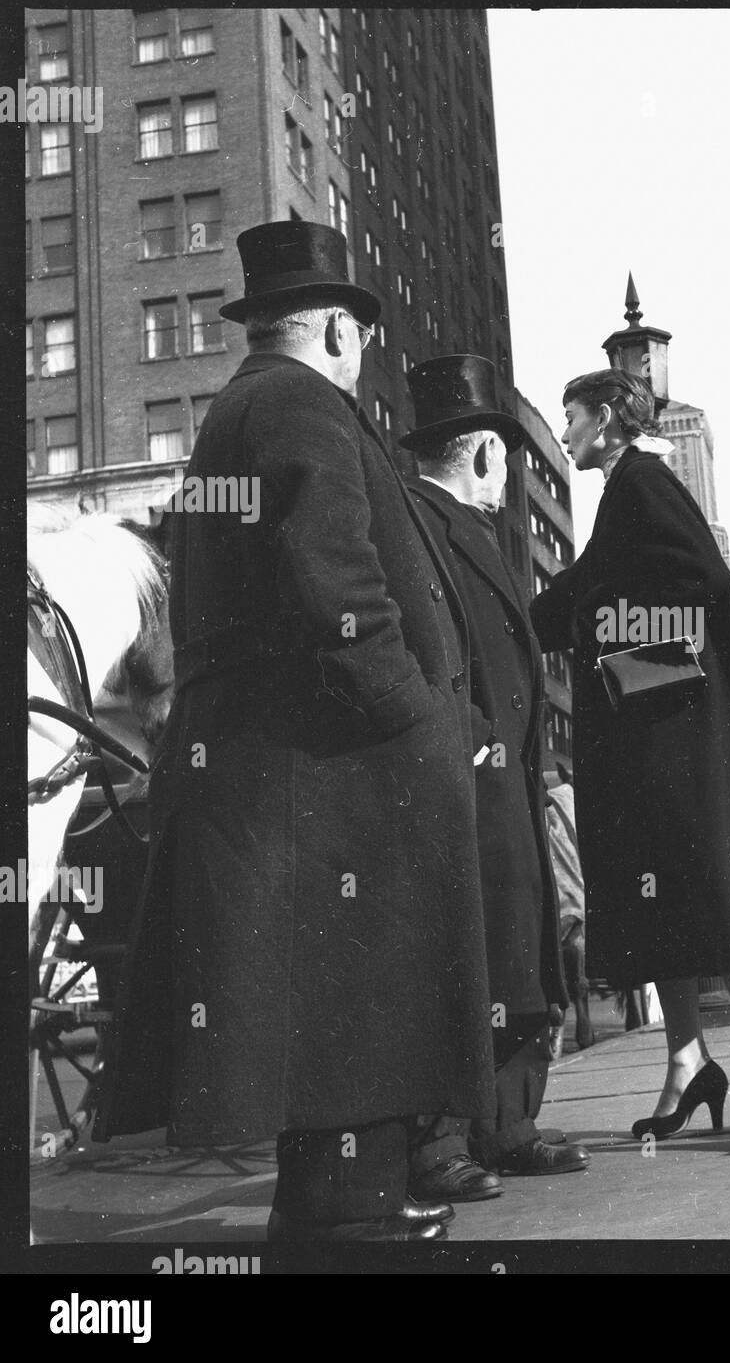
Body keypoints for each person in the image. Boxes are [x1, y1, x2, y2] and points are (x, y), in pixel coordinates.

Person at [95, 222, 496, 1242]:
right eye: (358, 335)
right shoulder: (298, 406)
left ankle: (329, 1206)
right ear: (327, 329)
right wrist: (412, 714)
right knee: (356, 983)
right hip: (331, 756)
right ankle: (350, 1212)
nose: (362, 355)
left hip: (278, 757)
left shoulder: (245, 407)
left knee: (324, 992)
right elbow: (335, 584)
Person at [530, 369, 730, 1154]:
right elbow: (591, 585)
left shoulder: (643, 482)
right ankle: (687, 1062)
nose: (565, 433)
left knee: (707, 890)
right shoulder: (625, 489)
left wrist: (616, 640)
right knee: (660, 893)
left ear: (604, 419)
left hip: (677, 731)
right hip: (651, 731)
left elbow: (700, 581)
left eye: (571, 418)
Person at [400, 356, 588, 1196]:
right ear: (483, 454)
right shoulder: (413, 522)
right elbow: (405, 641)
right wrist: (468, 737)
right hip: (459, 779)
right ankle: (442, 1143)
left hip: (506, 784)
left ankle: (508, 1125)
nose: (510, 473)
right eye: (507, 456)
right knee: (458, 956)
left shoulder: (471, 529)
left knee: (516, 952)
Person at [546, 762, 595, 1052]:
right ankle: (581, 1024)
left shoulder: (558, 798)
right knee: (577, 952)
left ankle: (560, 1023)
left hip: (558, 895)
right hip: (572, 893)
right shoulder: (572, 800)